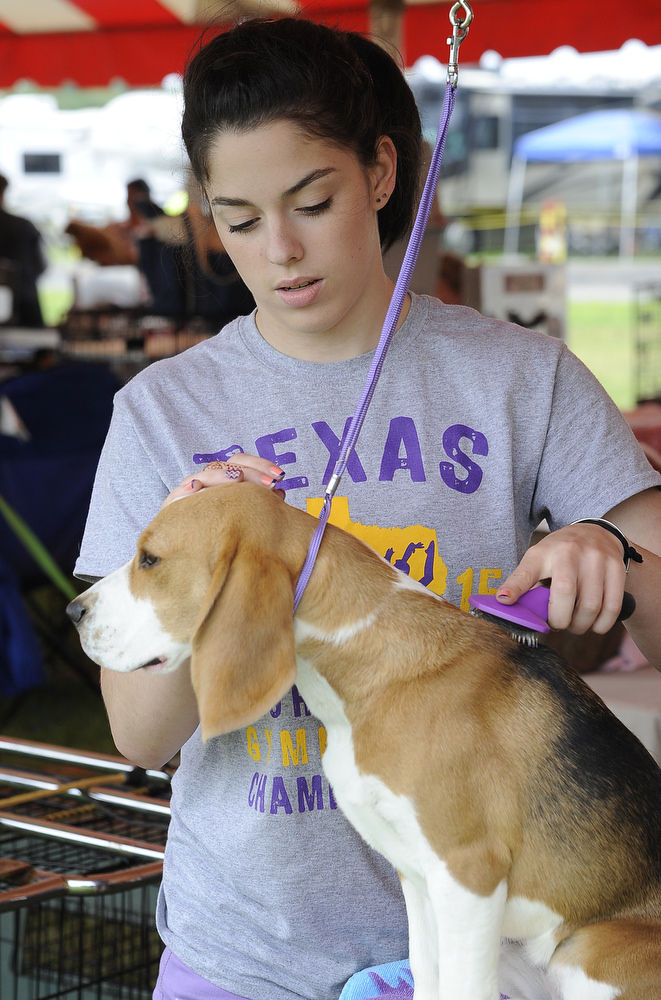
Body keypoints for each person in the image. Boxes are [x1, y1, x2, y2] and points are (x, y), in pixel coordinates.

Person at [74, 17, 661, 1000]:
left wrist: (610, 551)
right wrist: (186, 574)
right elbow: (139, 737)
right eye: (240, 218)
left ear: (382, 172)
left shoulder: (519, 377)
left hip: (507, 958)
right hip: (248, 955)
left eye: (313, 200)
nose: (282, 250)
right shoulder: (164, 410)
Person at [0, 173, 47, 327]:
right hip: (26, 302)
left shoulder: (24, 225)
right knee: (38, 345)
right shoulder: (24, 226)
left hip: (23, 303)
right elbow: (42, 265)